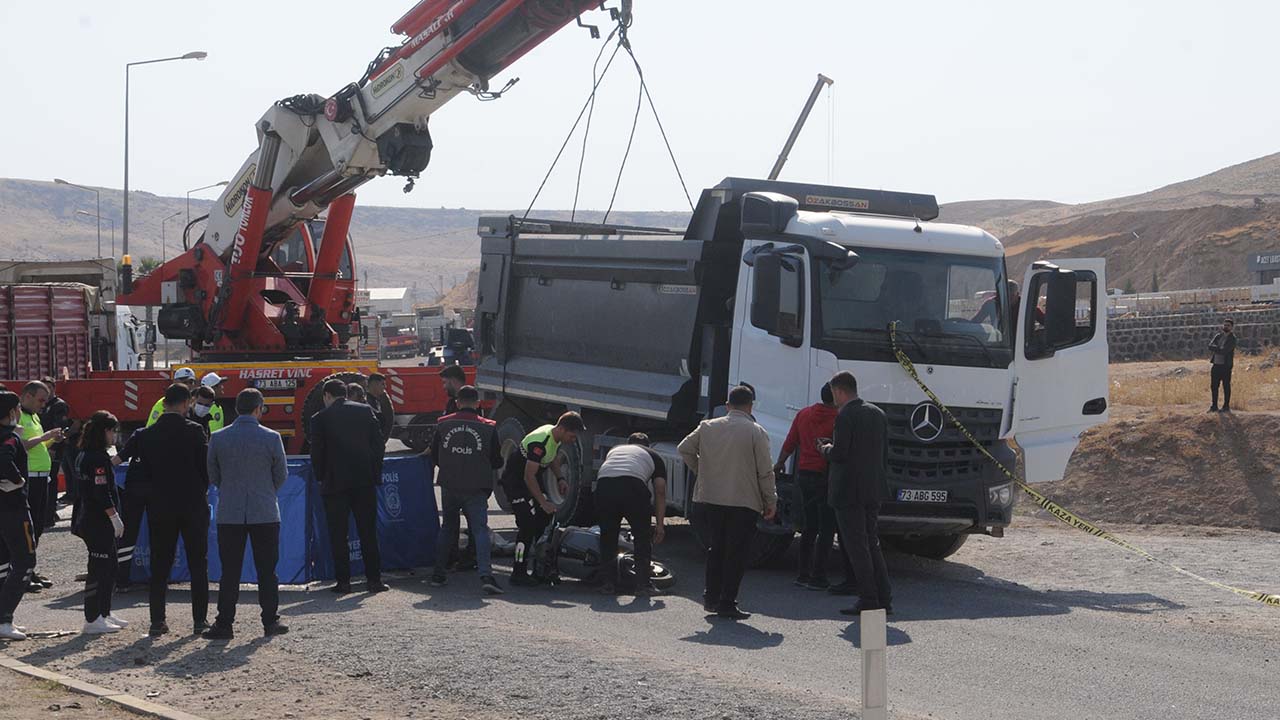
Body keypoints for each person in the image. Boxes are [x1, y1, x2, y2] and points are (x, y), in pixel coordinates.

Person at [678, 386, 776, 620]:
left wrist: (702, 471)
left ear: (727, 405)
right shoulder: (756, 431)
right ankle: (727, 602)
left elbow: (684, 449)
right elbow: (765, 471)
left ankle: (710, 597)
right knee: (736, 553)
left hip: (711, 498)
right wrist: (770, 500)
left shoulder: (708, 427)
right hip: (744, 501)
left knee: (716, 548)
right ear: (750, 406)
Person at [204, 389, 289, 639]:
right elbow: (281, 474)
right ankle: (270, 621)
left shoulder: (218, 438)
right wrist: (265, 491)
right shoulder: (272, 438)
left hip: (230, 512)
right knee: (267, 569)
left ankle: (224, 623)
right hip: (265, 512)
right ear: (259, 408)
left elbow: (213, 475)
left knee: (229, 571)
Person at [131, 383, 211, 636]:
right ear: (187, 403)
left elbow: (138, 472)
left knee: (160, 565)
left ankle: (157, 621)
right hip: (192, 504)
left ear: (164, 403)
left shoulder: (145, 435)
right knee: (198, 563)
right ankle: (199, 620)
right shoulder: (195, 431)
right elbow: (205, 469)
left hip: (160, 506)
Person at [819, 371, 893, 616]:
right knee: (872, 542)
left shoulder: (846, 415)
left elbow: (840, 453)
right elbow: (884, 453)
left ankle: (868, 599)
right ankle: (884, 597)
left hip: (848, 490)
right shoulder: (877, 413)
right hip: (873, 487)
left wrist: (825, 448)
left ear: (839, 391)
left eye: (834, 394)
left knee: (856, 546)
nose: (834, 399)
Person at [310, 379, 389, 594]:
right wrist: (375, 472)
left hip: (334, 483)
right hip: (364, 481)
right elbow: (378, 444)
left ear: (326, 395)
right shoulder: (365, 411)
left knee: (338, 534)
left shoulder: (319, 419)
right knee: (368, 532)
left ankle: (343, 582)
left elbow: (316, 452)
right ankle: (374, 580)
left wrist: (320, 476)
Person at [773, 383, 850, 590]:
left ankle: (803, 574)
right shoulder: (839, 418)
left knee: (809, 526)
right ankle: (819, 576)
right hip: (826, 476)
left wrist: (780, 463)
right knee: (826, 528)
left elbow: (790, 442)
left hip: (804, 475)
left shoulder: (804, 414)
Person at [429, 385, 503, 595]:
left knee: (448, 528)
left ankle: (438, 574)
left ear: (458, 402)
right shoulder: (489, 427)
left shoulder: (443, 424)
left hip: (449, 484)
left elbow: (434, 455)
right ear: (477, 402)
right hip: (476, 486)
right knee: (479, 530)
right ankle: (486, 576)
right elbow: (497, 460)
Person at [498, 411, 585, 586]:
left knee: (544, 522)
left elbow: (550, 458)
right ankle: (518, 572)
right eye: (572, 436)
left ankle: (540, 567)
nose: (573, 440)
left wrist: (560, 477)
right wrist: (543, 502)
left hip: (530, 482)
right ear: (561, 429)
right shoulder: (540, 441)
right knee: (527, 527)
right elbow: (528, 476)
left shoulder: (554, 437)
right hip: (516, 484)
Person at [74, 410, 128, 635]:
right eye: (112, 431)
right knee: (98, 569)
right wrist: (114, 516)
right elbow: (101, 491)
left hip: (94, 519)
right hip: (97, 520)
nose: (114, 436)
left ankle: (104, 612)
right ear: (104, 431)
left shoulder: (86, 454)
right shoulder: (96, 458)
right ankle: (92, 617)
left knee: (111, 566)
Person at [595, 433, 667, 596]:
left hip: (604, 486)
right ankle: (643, 585)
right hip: (633, 487)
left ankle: (607, 583)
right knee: (642, 537)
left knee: (608, 536)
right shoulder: (654, 455)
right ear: (647, 446)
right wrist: (660, 525)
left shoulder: (615, 450)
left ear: (628, 443)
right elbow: (660, 491)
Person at [19, 381, 63, 592]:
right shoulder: (17, 416)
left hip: (41, 476)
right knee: (27, 528)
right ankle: (21, 573)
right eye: (40, 400)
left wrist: (52, 440)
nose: (43, 405)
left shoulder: (34, 417)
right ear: (27, 396)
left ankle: (29, 569)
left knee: (38, 526)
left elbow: (38, 446)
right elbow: (21, 446)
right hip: (28, 477)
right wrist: (45, 436)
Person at [0, 392, 37, 640]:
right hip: (14, 509)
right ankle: (4, 619)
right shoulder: (10, 438)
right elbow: (4, 461)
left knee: (9, 562)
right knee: (25, 562)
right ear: (12, 411)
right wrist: (18, 480)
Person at [38, 376, 70, 529]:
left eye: (49, 388)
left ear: (53, 389)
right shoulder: (42, 405)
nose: (46, 391)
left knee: (51, 482)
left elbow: (60, 429)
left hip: (53, 449)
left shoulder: (58, 405)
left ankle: (49, 514)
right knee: (45, 482)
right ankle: (47, 512)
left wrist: (53, 449)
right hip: (41, 448)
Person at [1208, 318, 1237, 412]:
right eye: (1224, 325)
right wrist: (1219, 348)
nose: (1226, 327)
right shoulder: (1218, 336)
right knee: (1214, 386)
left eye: (1228, 325)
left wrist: (1217, 348)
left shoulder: (1232, 339)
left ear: (1232, 327)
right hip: (1216, 364)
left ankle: (1226, 406)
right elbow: (1210, 346)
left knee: (1226, 386)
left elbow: (1225, 351)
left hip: (1226, 366)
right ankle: (1214, 406)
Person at [366, 373, 395, 442]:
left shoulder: (376, 400)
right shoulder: (367, 402)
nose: (385, 387)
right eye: (382, 384)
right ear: (374, 384)